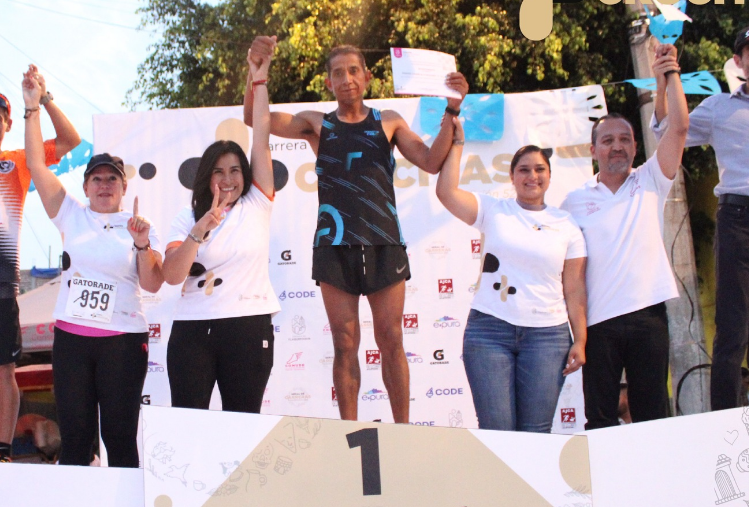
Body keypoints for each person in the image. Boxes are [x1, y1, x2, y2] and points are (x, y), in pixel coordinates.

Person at [244, 36, 468, 423]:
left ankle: (404, 429)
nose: (346, 79)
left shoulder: (389, 122)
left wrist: (452, 109)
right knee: (345, 344)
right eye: (337, 73)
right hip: (334, 244)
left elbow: (432, 161)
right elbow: (256, 120)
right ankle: (349, 432)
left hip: (383, 242)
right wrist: (256, 74)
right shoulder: (317, 123)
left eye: (352, 71)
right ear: (328, 83)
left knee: (391, 339)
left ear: (366, 77)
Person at [23, 70, 163, 466]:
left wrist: (142, 244)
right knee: (76, 439)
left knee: (119, 437)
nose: (104, 185)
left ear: (123, 189)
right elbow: (36, 164)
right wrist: (34, 105)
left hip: (122, 341)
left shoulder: (138, 226)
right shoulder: (71, 215)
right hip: (72, 340)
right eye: (96, 179)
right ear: (85, 187)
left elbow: (153, 284)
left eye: (112, 180)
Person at [560, 44, 689, 429]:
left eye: (625, 139)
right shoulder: (574, 201)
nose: (617, 146)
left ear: (635, 146)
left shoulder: (651, 179)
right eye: (608, 140)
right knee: (599, 419)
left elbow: (679, 126)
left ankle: (656, 488)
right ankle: (605, 489)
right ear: (593, 150)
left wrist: (669, 74)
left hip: (649, 316)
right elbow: (568, 275)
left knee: (652, 417)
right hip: (597, 324)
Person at [436, 119, 587, 432]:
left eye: (539, 169)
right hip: (489, 331)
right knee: (498, 433)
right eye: (524, 169)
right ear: (512, 176)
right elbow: (446, 192)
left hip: (548, 336)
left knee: (536, 432)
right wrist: (457, 144)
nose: (532, 176)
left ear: (548, 175)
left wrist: (581, 340)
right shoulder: (494, 210)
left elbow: (574, 289)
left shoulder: (567, 224)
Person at [162, 48, 279, 414]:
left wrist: (258, 77)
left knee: (242, 426)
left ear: (245, 176)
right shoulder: (186, 217)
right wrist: (200, 230)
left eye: (234, 171)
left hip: (248, 326)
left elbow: (261, 134)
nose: (227, 180)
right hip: (193, 330)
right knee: (190, 426)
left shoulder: (257, 202)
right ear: (206, 176)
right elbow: (171, 275)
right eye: (218, 171)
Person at [652, 27, 749, 411]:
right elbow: (666, 130)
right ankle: (723, 425)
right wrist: (664, 82)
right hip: (739, 218)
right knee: (732, 327)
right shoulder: (720, 106)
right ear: (739, 62)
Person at [0, 65, 80, 463]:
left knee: (4, 369)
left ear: (8, 122)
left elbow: (70, 140)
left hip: (2, 283)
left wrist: (43, 98)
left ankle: (2, 452)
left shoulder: (16, 161)